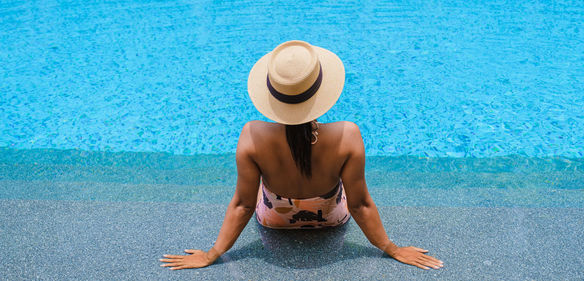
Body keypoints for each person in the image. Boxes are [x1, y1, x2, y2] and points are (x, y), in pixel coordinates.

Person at [160, 40, 444, 270]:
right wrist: (391, 249)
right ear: (320, 92)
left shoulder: (252, 136)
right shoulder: (348, 135)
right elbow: (360, 205)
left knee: (261, 189)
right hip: (332, 219)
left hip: (275, 221)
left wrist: (213, 254)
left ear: (272, 97)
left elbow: (243, 206)